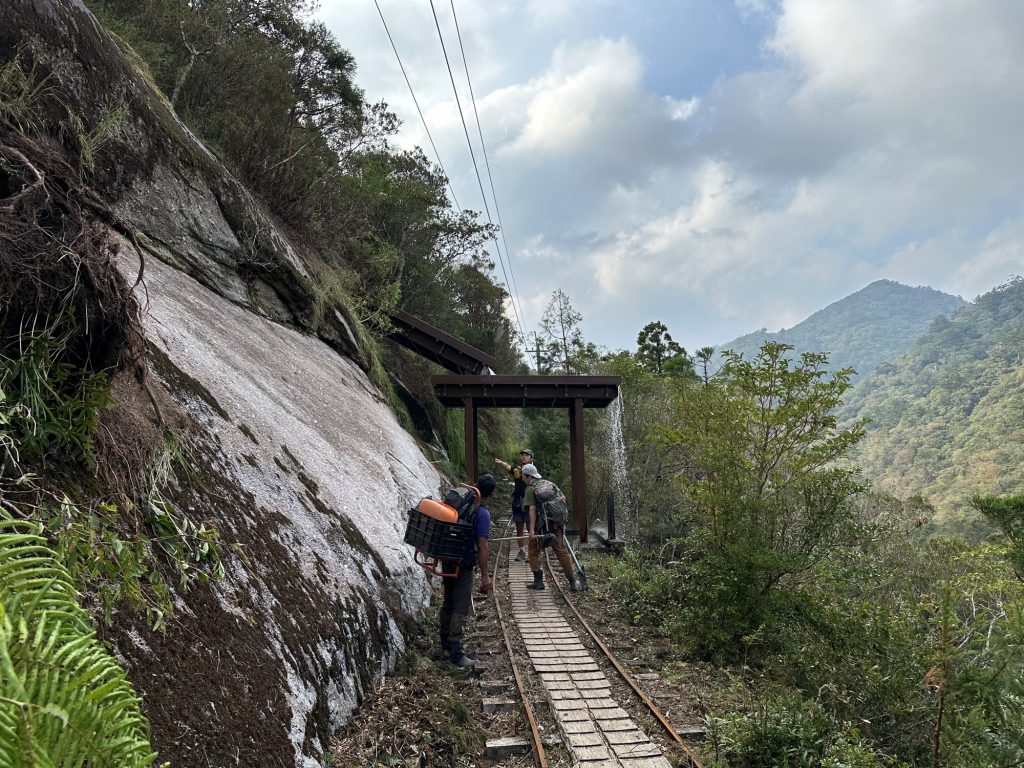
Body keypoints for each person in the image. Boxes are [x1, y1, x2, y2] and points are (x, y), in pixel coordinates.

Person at [439, 473, 494, 668]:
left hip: (447, 556)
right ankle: (456, 651)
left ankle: (444, 643)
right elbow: (483, 545)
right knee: (460, 606)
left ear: (475, 484)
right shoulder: (482, 513)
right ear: (491, 494)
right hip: (463, 562)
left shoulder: (461, 501)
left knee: (448, 600)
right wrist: (485, 576)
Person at [521, 464, 578, 592]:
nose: (522, 479)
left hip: (541, 529)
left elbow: (532, 510)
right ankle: (573, 582)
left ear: (529, 476)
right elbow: (563, 498)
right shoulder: (549, 483)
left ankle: (538, 582)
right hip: (556, 525)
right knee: (561, 551)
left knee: (533, 552)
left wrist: (531, 530)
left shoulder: (530, 489)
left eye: (523, 476)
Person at [492, 449, 534, 562]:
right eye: (523, 455)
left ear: (531, 458)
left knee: (531, 528)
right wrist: (500, 462)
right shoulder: (518, 469)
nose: (524, 457)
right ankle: (522, 552)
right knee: (519, 529)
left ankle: (532, 553)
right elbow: (508, 468)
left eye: (526, 455)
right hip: (517, 502)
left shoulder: (533, 471)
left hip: (529, 503)